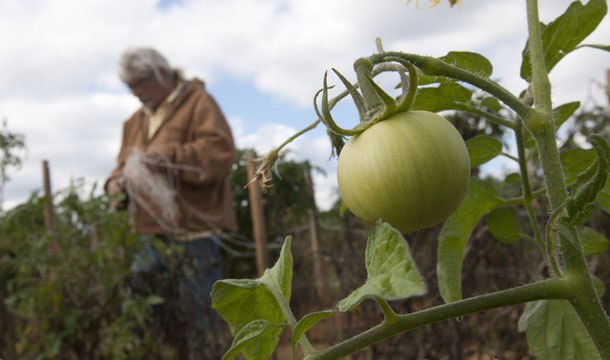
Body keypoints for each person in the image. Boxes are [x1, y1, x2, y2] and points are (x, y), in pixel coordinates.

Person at [105, 47, 237, 359]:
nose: (135, 93)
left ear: (160, 74)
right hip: (150, 238)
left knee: (201, 320)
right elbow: (120, 166)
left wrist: (168, 158)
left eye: (139, 83)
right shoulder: (133, 123)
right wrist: (115, 184)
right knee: (148, 317)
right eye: (130, 87)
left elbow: (220, 153)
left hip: (195, 235)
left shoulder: (198, 102)